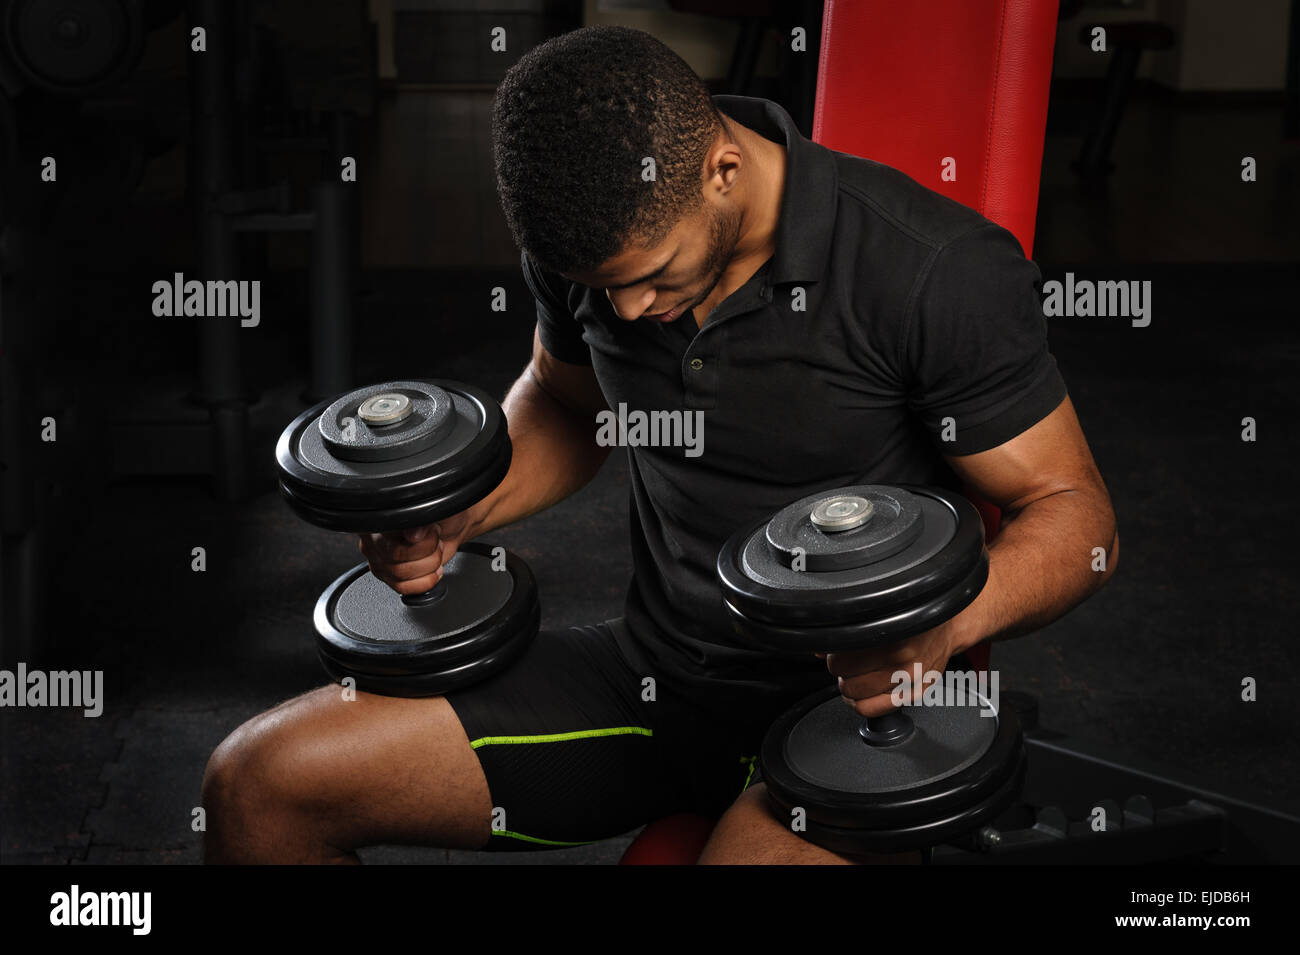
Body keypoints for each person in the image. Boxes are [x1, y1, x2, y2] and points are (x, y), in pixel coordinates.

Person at [202, 25, 1117, 865]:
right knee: (259, 784)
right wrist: (454, 509)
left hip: (860, 712)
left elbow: (1075, 515)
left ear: (723, 168)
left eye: (649, 279)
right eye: (601, 291)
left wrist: (945, 627)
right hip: (655, 681)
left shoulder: (932, 269)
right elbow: (566, 405)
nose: (628, 312)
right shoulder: (595, 253)